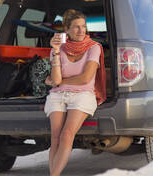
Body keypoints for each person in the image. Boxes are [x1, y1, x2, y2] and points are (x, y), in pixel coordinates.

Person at [44, 9, 106, 176]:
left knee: (67, 134)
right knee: (55, 138)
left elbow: (85, 78)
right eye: (76, 27)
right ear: (67, 30)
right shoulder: (58, 49)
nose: (81, 31)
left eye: (84, 27)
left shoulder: (94, 47)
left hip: (83, 95)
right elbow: (55, 79)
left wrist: (60, 82)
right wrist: (56, 51)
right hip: (57, 95)